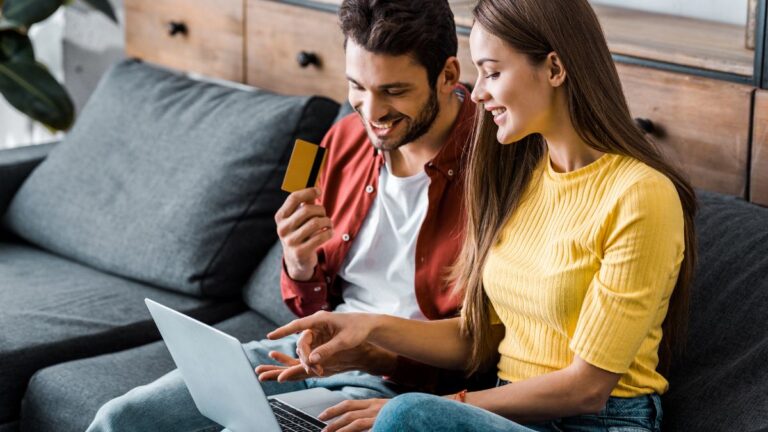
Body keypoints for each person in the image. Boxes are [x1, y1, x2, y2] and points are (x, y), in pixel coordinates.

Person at [266, 0, 698, 431]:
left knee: (405, 414)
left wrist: (451, 405)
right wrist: (366, 326)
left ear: (554, 69)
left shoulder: (641, 194)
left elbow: (588, 388)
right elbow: (481, 335)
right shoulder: (520, 179)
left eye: (492, 72)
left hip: (595, 422)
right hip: (506, 407)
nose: (476, 93)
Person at [85, 1, 479, 431]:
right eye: (357, 87)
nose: (371, 112)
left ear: (448, 75)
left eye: (394, 91)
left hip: (402, 386)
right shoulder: (343, 137)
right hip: (307, 351)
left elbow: (486, 346)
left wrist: (375, 352)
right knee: (119, 418)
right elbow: (307, 302)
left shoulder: (496, 165)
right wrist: (298, 262)